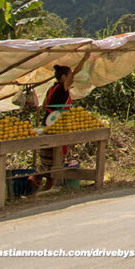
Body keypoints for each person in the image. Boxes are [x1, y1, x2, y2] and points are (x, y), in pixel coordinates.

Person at [32, 57, 87, 190]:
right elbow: (74, 76)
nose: (70, 79)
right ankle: (46, 180)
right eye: (68, 76)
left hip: (47, 123)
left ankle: (43, 181)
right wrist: (85, 58)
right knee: (55, 154)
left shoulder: (52, 88)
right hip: (57, 125)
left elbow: (45, 104)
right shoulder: (62, 87)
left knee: (47, 153)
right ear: (63, 77)